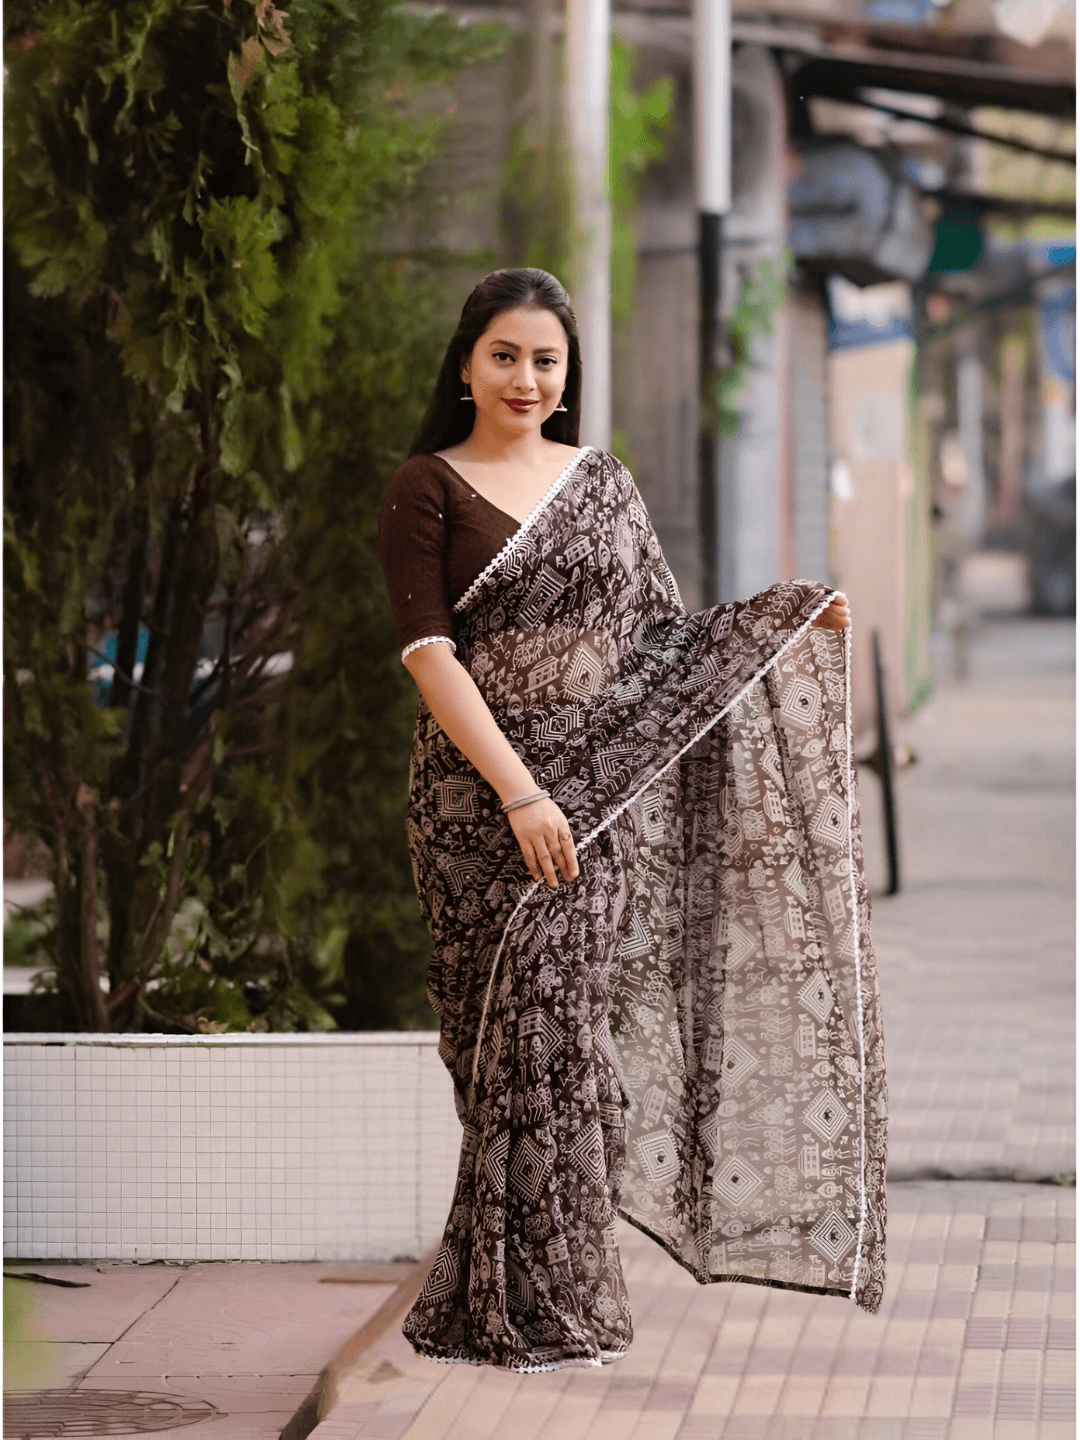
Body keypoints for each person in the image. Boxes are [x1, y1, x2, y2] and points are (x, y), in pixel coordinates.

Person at [379, 268, 886, 1373]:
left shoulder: (601, 485)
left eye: (545, 359)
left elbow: (659, 642)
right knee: (496, 1042)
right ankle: (496, 1302)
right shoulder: (428, 485)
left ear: (568, 378)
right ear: (466, 366)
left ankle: (546, 1303)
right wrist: (519, 791)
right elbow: (429, 654)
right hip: (477, 802)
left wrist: (781, 623)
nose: (524, 377)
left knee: (561, 1032)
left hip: (593, 798)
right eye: (504, 355)